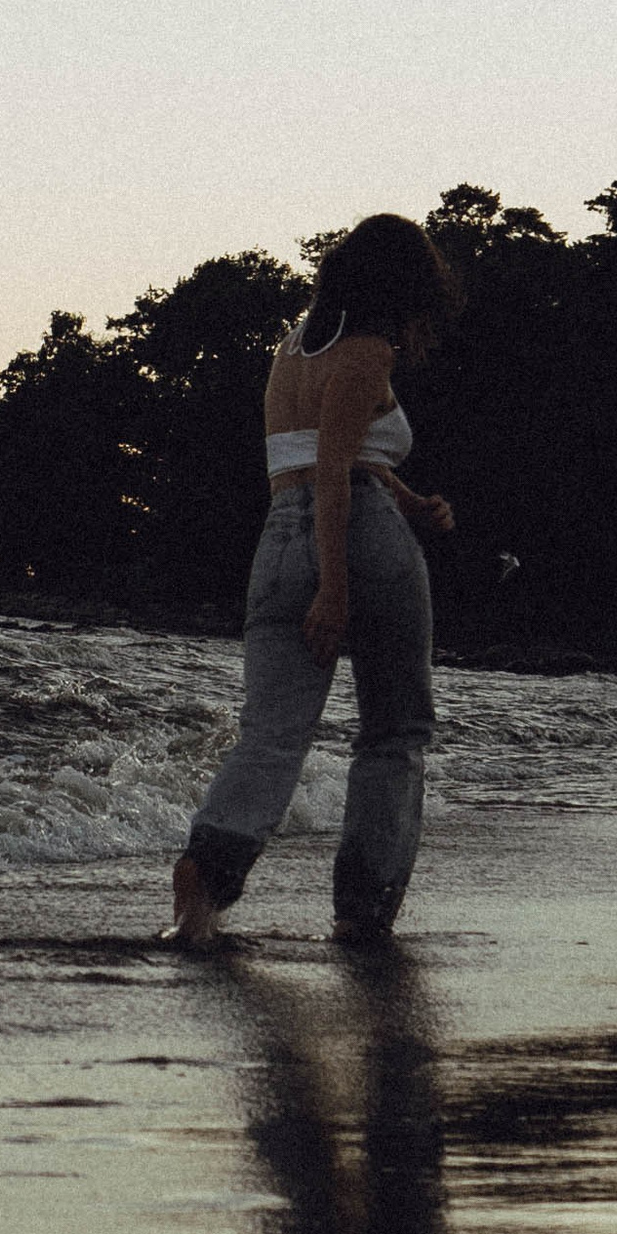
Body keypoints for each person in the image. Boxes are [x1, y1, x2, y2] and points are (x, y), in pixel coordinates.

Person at [170, 213, 457, 949]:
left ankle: (209, 871)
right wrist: (334, 588)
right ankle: (364, 909)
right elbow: (333, 473)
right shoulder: (367, 353)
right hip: (352, 537)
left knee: (272, 731)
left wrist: (409, 499)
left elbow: (322, 457)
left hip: (279, 537)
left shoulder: (293, 347)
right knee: (394, 731)